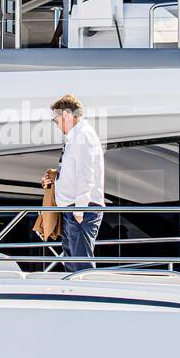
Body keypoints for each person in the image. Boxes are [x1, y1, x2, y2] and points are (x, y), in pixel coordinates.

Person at [43, 94, 105, 271]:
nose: (56, 125)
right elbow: (77, 172)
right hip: (75, 210)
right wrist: (54, 177)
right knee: (74, 265)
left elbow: (86, 175)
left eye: (56, 120)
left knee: (80, 266)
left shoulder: (83, 136)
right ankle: (78, 294)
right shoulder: (77, 136)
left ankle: (86, 296)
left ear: (68, 115)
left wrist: (79, 210)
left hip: (81, 211)